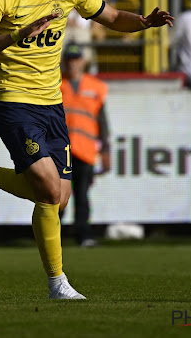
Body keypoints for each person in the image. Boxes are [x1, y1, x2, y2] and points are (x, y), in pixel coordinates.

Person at [0, 0, 173, 299]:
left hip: (50, 105)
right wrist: (15, 36)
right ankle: (58, 284)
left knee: (57, 199)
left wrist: (143, 22)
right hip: (12, 101)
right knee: (48, 189)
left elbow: (111, 16)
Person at [59, 42, 110, 248]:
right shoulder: (55, 84)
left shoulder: (95, 87)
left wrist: (105, 149)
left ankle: (84, 234)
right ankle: (53, 237)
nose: (73, 64)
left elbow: (102, 121)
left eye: (76, 59)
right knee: (58, 196)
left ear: (83, 61)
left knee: (82, 195)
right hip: (59, 149)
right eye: (69, 60)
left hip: (85, 149)